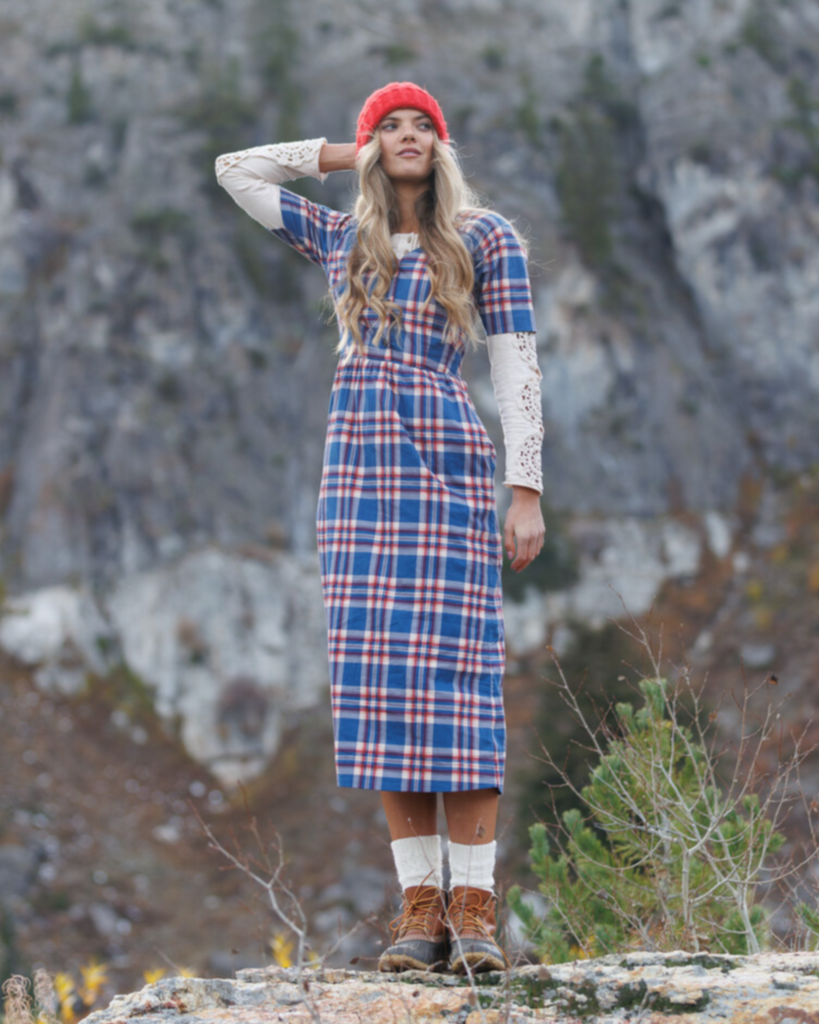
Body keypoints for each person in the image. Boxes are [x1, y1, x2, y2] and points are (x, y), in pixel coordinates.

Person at [216, 81, 545, 975]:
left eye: (422, 126)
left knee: (459, 676)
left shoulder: (486, 238)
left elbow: (516, 363)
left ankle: (474, 911)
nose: (407, 136)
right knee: (381, 686)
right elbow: (233, 169)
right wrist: (340, 151)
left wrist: (525, 488)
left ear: (443, 146)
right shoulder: (336, 235)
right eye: (389, 128)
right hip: (357, 473)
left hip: (444, 461)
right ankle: (418, 913)